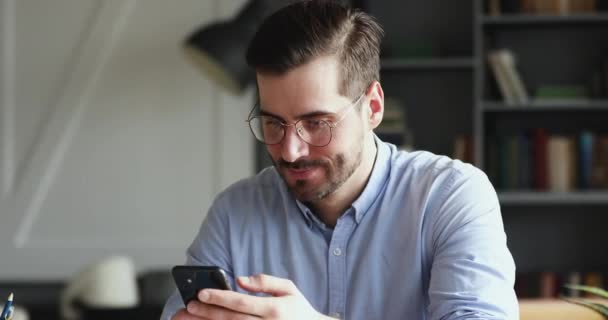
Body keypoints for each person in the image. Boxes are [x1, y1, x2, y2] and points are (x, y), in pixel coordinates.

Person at [161, 1, 518, 319]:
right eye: (273, 123)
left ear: (373, 107)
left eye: (316, 123)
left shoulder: (450, 196)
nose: (290, 151)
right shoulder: (234, 213)